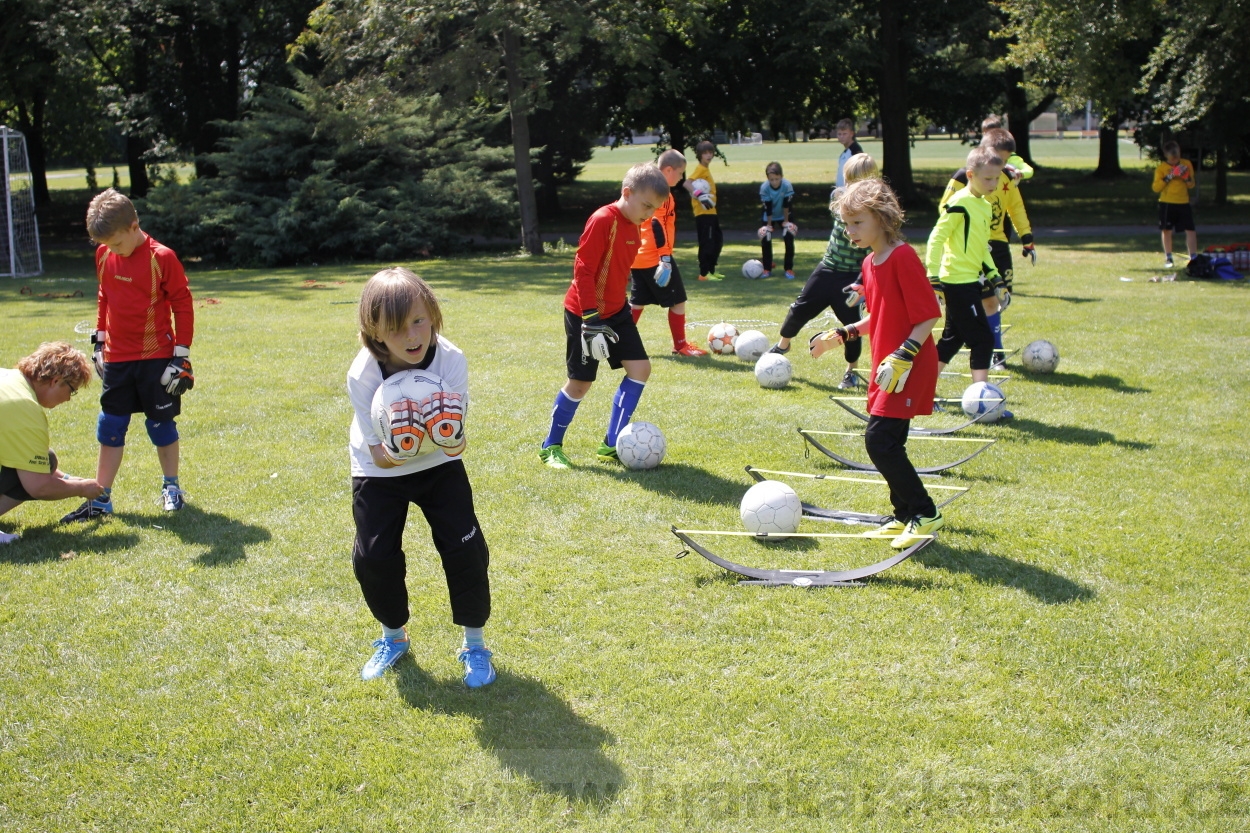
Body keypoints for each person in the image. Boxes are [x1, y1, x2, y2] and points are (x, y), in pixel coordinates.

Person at [347, 267, 496, 686]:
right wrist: (405, 438)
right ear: (375, 332)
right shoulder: (363, 374)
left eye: (419, 320)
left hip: (439, 468)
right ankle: (392, 637)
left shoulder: (451, 360)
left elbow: (456, 445)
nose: (412, 336)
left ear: (432, 315)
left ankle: (475, 644)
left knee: (465, 548)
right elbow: (380, 452)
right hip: (379, 469)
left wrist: (438, 434)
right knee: (374, 557)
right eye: (396, 329)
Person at [808, 179, 943, 549]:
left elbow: (929, 314)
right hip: (888, 367)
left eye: (857, 223)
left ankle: (925, 511)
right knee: (890, 440)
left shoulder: (902, 257)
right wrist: (842, 334)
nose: (850, 232)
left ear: (882, 218)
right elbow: (879, 316)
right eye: (846, 224)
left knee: (879, 440)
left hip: (907, 366)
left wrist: (903, 356)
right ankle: (902, 517)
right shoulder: (869, 262)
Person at [62, 188, 195, 523]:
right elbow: (104, 294)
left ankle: (172, 487)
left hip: (156, 357)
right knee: (110, 424)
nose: (112, 250)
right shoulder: (105, 255)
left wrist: (181, 356)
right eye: (106, 245)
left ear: (134, 225)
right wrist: (99, 342)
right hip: (117, 358)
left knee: (160, 424)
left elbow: (182, 303)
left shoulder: (161, 257)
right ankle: (101, 497)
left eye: (117, 243)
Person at [539, 163, 671, 469]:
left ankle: (612, 444)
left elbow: (620, 267)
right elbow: (583, 270)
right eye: (647, 205)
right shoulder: (604, 219)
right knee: (580, 383)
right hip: (586, 313)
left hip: (617, 311)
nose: (650, 214)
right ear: (627, 193)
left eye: (655, 209)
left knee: (640, 369)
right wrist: (591, 318)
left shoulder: (635, 222)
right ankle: (550, 447)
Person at [770, 153, 879, 390]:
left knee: (852, 325)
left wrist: (863, 282)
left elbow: (873, 250)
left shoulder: (874, 211)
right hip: (827, 268)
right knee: (800, 308)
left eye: (858, 182)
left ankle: (851, 371)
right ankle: (782, 344)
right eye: (849, 180)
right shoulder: (839, 197)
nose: (852, 187)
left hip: (852, 276)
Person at [938, 128, 1035, 371]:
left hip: (998, 247)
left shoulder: (1008, 178)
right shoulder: (963, 178)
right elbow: (944, 210)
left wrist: (1027, 238)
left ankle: (995, 354)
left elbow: (1017, 208)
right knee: (964, 309)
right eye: (999, 160)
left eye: (1004, 161)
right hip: (971, 249)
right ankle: (955, 354)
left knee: (994, 300)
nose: (1001, 166)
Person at [925, 147, 1010, 412]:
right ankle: (983, 402)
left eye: (996, 178)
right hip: (956, 283)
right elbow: (936, 238)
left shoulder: (984, 206)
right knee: (983, 340)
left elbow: (982, 247)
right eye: (988, 179)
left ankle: (924, 392)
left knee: (952, 340)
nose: (993, 184)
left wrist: (995, 278)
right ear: (970, 175)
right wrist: (933, 276)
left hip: (972, 281)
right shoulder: (959, 203)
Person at [0, 343, 106, 543]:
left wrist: (72, 479)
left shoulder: (8, 379)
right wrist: (81, 489)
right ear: (56, 381)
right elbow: (39, 486)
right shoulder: (25, 409)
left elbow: (27, 460)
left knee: (46, 459)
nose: (68, 399)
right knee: (45, 464)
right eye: (72, 390)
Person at [630, 150, 708, 358]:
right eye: (680, 173)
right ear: (668, 170)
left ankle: (619, 343)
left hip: (638, 255)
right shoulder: (661, 192)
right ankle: (681, 346)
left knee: (637, 302)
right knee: (678, 301)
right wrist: (664, 259)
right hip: (655, 255)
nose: (682, 178)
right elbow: (658, 225)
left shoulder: (646, 187)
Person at [1153, 140, 1197, 268]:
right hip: (1167, 202)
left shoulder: (1186, 164)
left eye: (1176, 157)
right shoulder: (1162, 168)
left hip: (1183, 201)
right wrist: (1170, 176)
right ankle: (1168, 257)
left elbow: (1191, 184)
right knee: (1166, 230)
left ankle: (1193, 256)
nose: (1174, 161)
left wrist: (1186, 177)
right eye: (1172, 159)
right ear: (1166, 156)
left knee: (1190, 229)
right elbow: (1156, 188)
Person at [687, 141, 725, 282]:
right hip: (703, 214)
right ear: (700, 155)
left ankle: (712, 270)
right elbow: (687, 183)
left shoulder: (706, 169)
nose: (708, 155)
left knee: (717, 241)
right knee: (707, 242)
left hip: (711, 212)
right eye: (705, 153)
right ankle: (703, 274)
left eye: (710, 152)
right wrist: (699, 194)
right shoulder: (700, 169)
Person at [758, 162, 797, 279]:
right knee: (766, 239)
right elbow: (768, 208)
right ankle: (767, 268)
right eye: (771, 180)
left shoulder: (787, 185)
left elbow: (787, 205)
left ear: (781, 176)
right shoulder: (764, 188)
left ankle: (788, 269)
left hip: (784, 215)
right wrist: (769, 226)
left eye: (777, 179)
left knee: (788, 239)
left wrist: (786, 222)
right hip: (769, 216)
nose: (774, 182)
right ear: (767, 179)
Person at [834, 118, 865, 190]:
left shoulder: (855, 151)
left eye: (844, 134)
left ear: (851, 134)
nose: (841, 137)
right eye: (839, 134)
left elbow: (859, 174)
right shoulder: (844, 153)